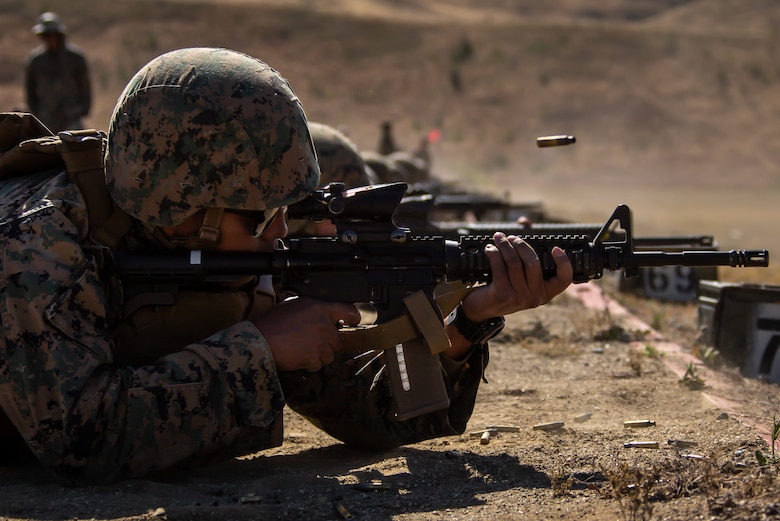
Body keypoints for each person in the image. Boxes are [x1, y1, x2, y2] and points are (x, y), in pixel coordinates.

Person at [0, 47, 573, 483]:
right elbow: (77, 438)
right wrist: (260, 350)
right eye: (260, 216)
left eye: (286, 210)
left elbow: (380, 419)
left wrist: (469, 322)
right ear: (182, 208)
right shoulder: (37, 241)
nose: (279, 232)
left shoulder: (225, 252)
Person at [24, 12, 92, 133]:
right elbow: (30, 90)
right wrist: (36, 113)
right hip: (46, 118)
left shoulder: (75, 58)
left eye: (52, 35)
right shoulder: (36, 61)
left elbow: (85, 87)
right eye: (46, 36)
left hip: (71, 116)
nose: (49, 39)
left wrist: (81, 109)